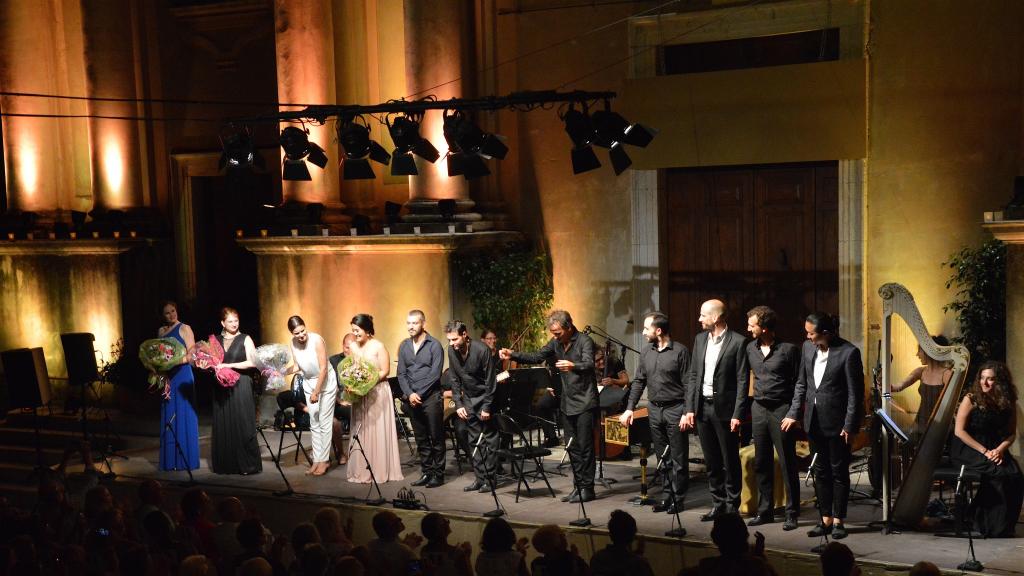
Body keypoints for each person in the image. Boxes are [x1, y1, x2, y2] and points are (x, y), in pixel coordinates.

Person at [500, 310, 598, 503]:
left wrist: (573, 366)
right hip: (567, 402)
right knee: (572, 447)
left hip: (586, 401)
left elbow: (589, 364)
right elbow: (537, 356)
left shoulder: (584, 341)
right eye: (553, 333)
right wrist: (513, 355)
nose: (555, 336)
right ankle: (578, 486)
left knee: (586, 447)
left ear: (569, 327)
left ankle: (588, 488)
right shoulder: (556, 343)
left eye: (558, 333)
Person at [782, 312, 864, 540]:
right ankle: (825, 517)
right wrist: (793, 413)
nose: (807, 336)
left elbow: (854, 395)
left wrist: (850, 425)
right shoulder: (808, 349)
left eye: (811, 333)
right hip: (813, 420)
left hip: (838, 423)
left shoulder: (849, 353)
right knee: (820, 470)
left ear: (826, 333)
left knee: (838, 471)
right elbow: (802, 384)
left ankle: (839, 520)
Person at [684, 299, 749, 521]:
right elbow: (693, 376)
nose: (699, 319)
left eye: (703, 315)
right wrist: (690, 408)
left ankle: (732, 505)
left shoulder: (738, 342)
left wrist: (738, 414)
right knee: (711, 461)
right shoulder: (700, 339)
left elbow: (743, 381)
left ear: (716, 318)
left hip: (726, 410)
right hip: (703, 408)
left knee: (729, 460)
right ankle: (718, 503)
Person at [619, 312, 690, 515]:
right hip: (655, 408)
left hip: (676, 409)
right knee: (662, 456)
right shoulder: (646, 352)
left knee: (678, 456)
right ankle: (667, 496)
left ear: (658, 331)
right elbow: (639, 381)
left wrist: (687, 411)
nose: (642, 332)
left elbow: (689, 384)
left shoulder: (680, 351)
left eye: (646, 328)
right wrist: (630, 408)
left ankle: (678, 498)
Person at [951, 360, 1022, 537]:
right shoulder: (971, 398)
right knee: (998, 473)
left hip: (995, 446)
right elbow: (959, 431)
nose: (984, 382)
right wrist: (985, 451)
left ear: (1001, 382)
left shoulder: (1008, 400)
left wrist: (999, 450)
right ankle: (983, 521)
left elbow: (1011, 433)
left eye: (990, 379)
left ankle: (1005, 525)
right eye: (982, 378)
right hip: (969, 447)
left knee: (1015, 475)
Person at [745, 306, 801, 530]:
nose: (749, 329)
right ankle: (765, 510)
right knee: (761, 462)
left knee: (787, 462)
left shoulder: (788, 350)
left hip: (781, 409)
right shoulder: (750, 348)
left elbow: (799, 383)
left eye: (752, 325)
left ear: (765, 327)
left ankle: (792, 512)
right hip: (759, 409)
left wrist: (793, 413)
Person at [345, 314, 404, 483]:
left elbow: (385, 371)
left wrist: (367, 380)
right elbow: (350, 368)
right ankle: (361, 469)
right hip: (360, 394)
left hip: (377, 392)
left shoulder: (378, 346)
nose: (355, 334)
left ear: (367, 329)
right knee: (361, 429)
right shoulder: (353, 347)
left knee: (376, 429)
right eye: (353, 331)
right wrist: (352, 382)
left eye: (357, 330)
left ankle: (378, 469)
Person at [446, 320, 499, 493]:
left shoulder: (481, 350)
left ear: (464, 334)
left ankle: (490, 480)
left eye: (454, 340)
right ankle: (480, 477)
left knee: (489, 440)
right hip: (468, 399)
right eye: (449, 340)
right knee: (474, 441)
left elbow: (491, 381)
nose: (451, 344)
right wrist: (458, 403)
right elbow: (454, 379)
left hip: (485, 398)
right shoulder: (451, 351)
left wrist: (487, 406)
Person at [398, 310, 447, 488]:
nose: (411, 327)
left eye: (415, 323)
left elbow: (435, 375)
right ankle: (427, 472)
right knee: (421, 438)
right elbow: (401, 374)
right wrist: (410, 394)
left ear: (423, 324)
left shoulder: (434, 345)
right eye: (408, 323)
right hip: (412, 399)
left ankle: (438, 474)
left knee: (436, 437)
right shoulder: (404, 346)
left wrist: (417, 393)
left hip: (431, 398)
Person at [211, 307, 262, 475]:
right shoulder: (215, 340)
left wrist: (228, 365)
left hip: (241, 384)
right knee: (224, 422)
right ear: (222, 323)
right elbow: (210, 362)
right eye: (230, 321)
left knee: (243, 422)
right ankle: (226, 464)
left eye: (236, 321)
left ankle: (247, 464)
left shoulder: (245, 338)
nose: (234, 324)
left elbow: (253, 363)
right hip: (221, 386)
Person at [287, 315, 337, 476]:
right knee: (314, 421)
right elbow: (296, 366)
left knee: (324, 420)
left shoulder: (316, 340)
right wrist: (281, 371)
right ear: (292, 333)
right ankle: (317, 459)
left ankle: (325, 461)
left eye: (302, 331)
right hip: (309, 382)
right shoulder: (292, 343)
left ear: (305, 327)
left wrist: (317, 391)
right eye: (296, 333)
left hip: (325, 382)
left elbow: (323, 368)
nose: (301, 335)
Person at [156, 301, 199, 471]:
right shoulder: (160, 331)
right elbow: (158, 355)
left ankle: (185, 460)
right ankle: (170, 461)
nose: (171, 315)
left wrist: (173, 362)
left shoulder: (185, 328)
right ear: (162, 315)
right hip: (168, 377)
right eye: (167, 313)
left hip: (182, 375)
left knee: (182, 414)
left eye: (173, 311)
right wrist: (161, 370)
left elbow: (192, 354)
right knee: (169, 414)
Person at [889, 336, 953, 439]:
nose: (917, 354)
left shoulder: (947, 374)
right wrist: (889, 387)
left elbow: (949, 404)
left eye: (920, 351)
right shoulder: (920, 371)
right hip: (920, 423)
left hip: (939, 425)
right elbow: (899, 386)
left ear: (929, 352)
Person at [677, 512, 775, 576]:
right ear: (745, 536)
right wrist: (759, 555)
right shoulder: (757, 568)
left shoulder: (707, 567)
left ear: (715, 539)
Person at [589, 510, 653, 576]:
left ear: (610, 535)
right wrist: (639, 557)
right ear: (632, 536)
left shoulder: (597, 559)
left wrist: (637, 555)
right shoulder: (640, 565)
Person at [366, 510, 422, 576]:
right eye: (398, 519)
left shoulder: (370, 545)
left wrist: (404, 544)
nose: (401, 520)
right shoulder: (405, 551)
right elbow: (416, 572)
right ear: (394, 526)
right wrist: (409, 548)